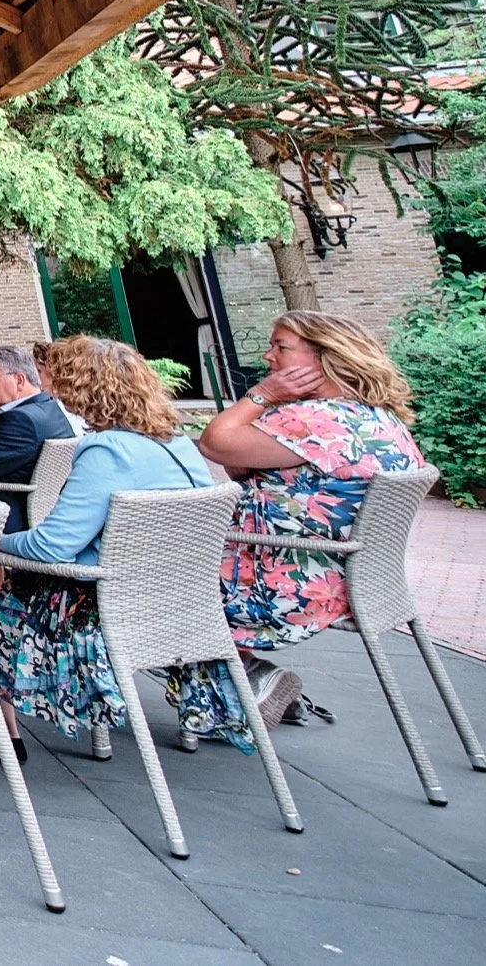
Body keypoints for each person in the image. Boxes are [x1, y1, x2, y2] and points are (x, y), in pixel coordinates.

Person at [0, 337, 239, 754]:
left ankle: (2, 732)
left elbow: (52, 548)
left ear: (83, 387)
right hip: (181, 600)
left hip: (99, 608)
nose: (50, 387)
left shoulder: (106, 449)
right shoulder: (176, 443)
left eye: (57, 380)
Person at [199, 309, 426, 725]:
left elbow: (214, 443)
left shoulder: (312, 420)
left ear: (326, 357)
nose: (269, 356)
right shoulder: (380, 419)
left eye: (281, 347)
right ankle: (240, 687)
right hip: (351, 583)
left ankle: (248, 680)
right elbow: (238, 462)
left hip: (282, 587)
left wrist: (263, 393)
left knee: (147, 587)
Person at [0, 344, 82, 530]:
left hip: (3, 520)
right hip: (46, 513)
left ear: (19, 380)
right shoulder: (50, 409)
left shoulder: (20, 421)